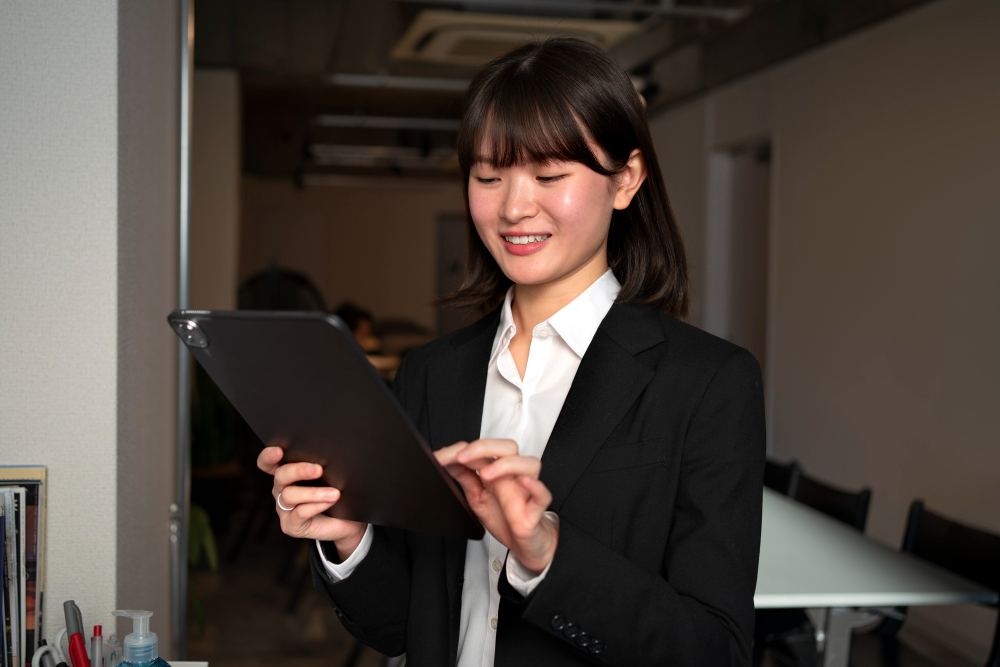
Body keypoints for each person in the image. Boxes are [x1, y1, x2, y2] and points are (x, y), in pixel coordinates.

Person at [257, 37, 764, 667]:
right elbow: (400, 629)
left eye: (550, 175)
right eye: (489, 176)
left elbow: (715, 650)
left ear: (626, 180)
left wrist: (547, 552)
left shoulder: (707, 383)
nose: (514, 208)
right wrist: (350, 538)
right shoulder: (431, 373)